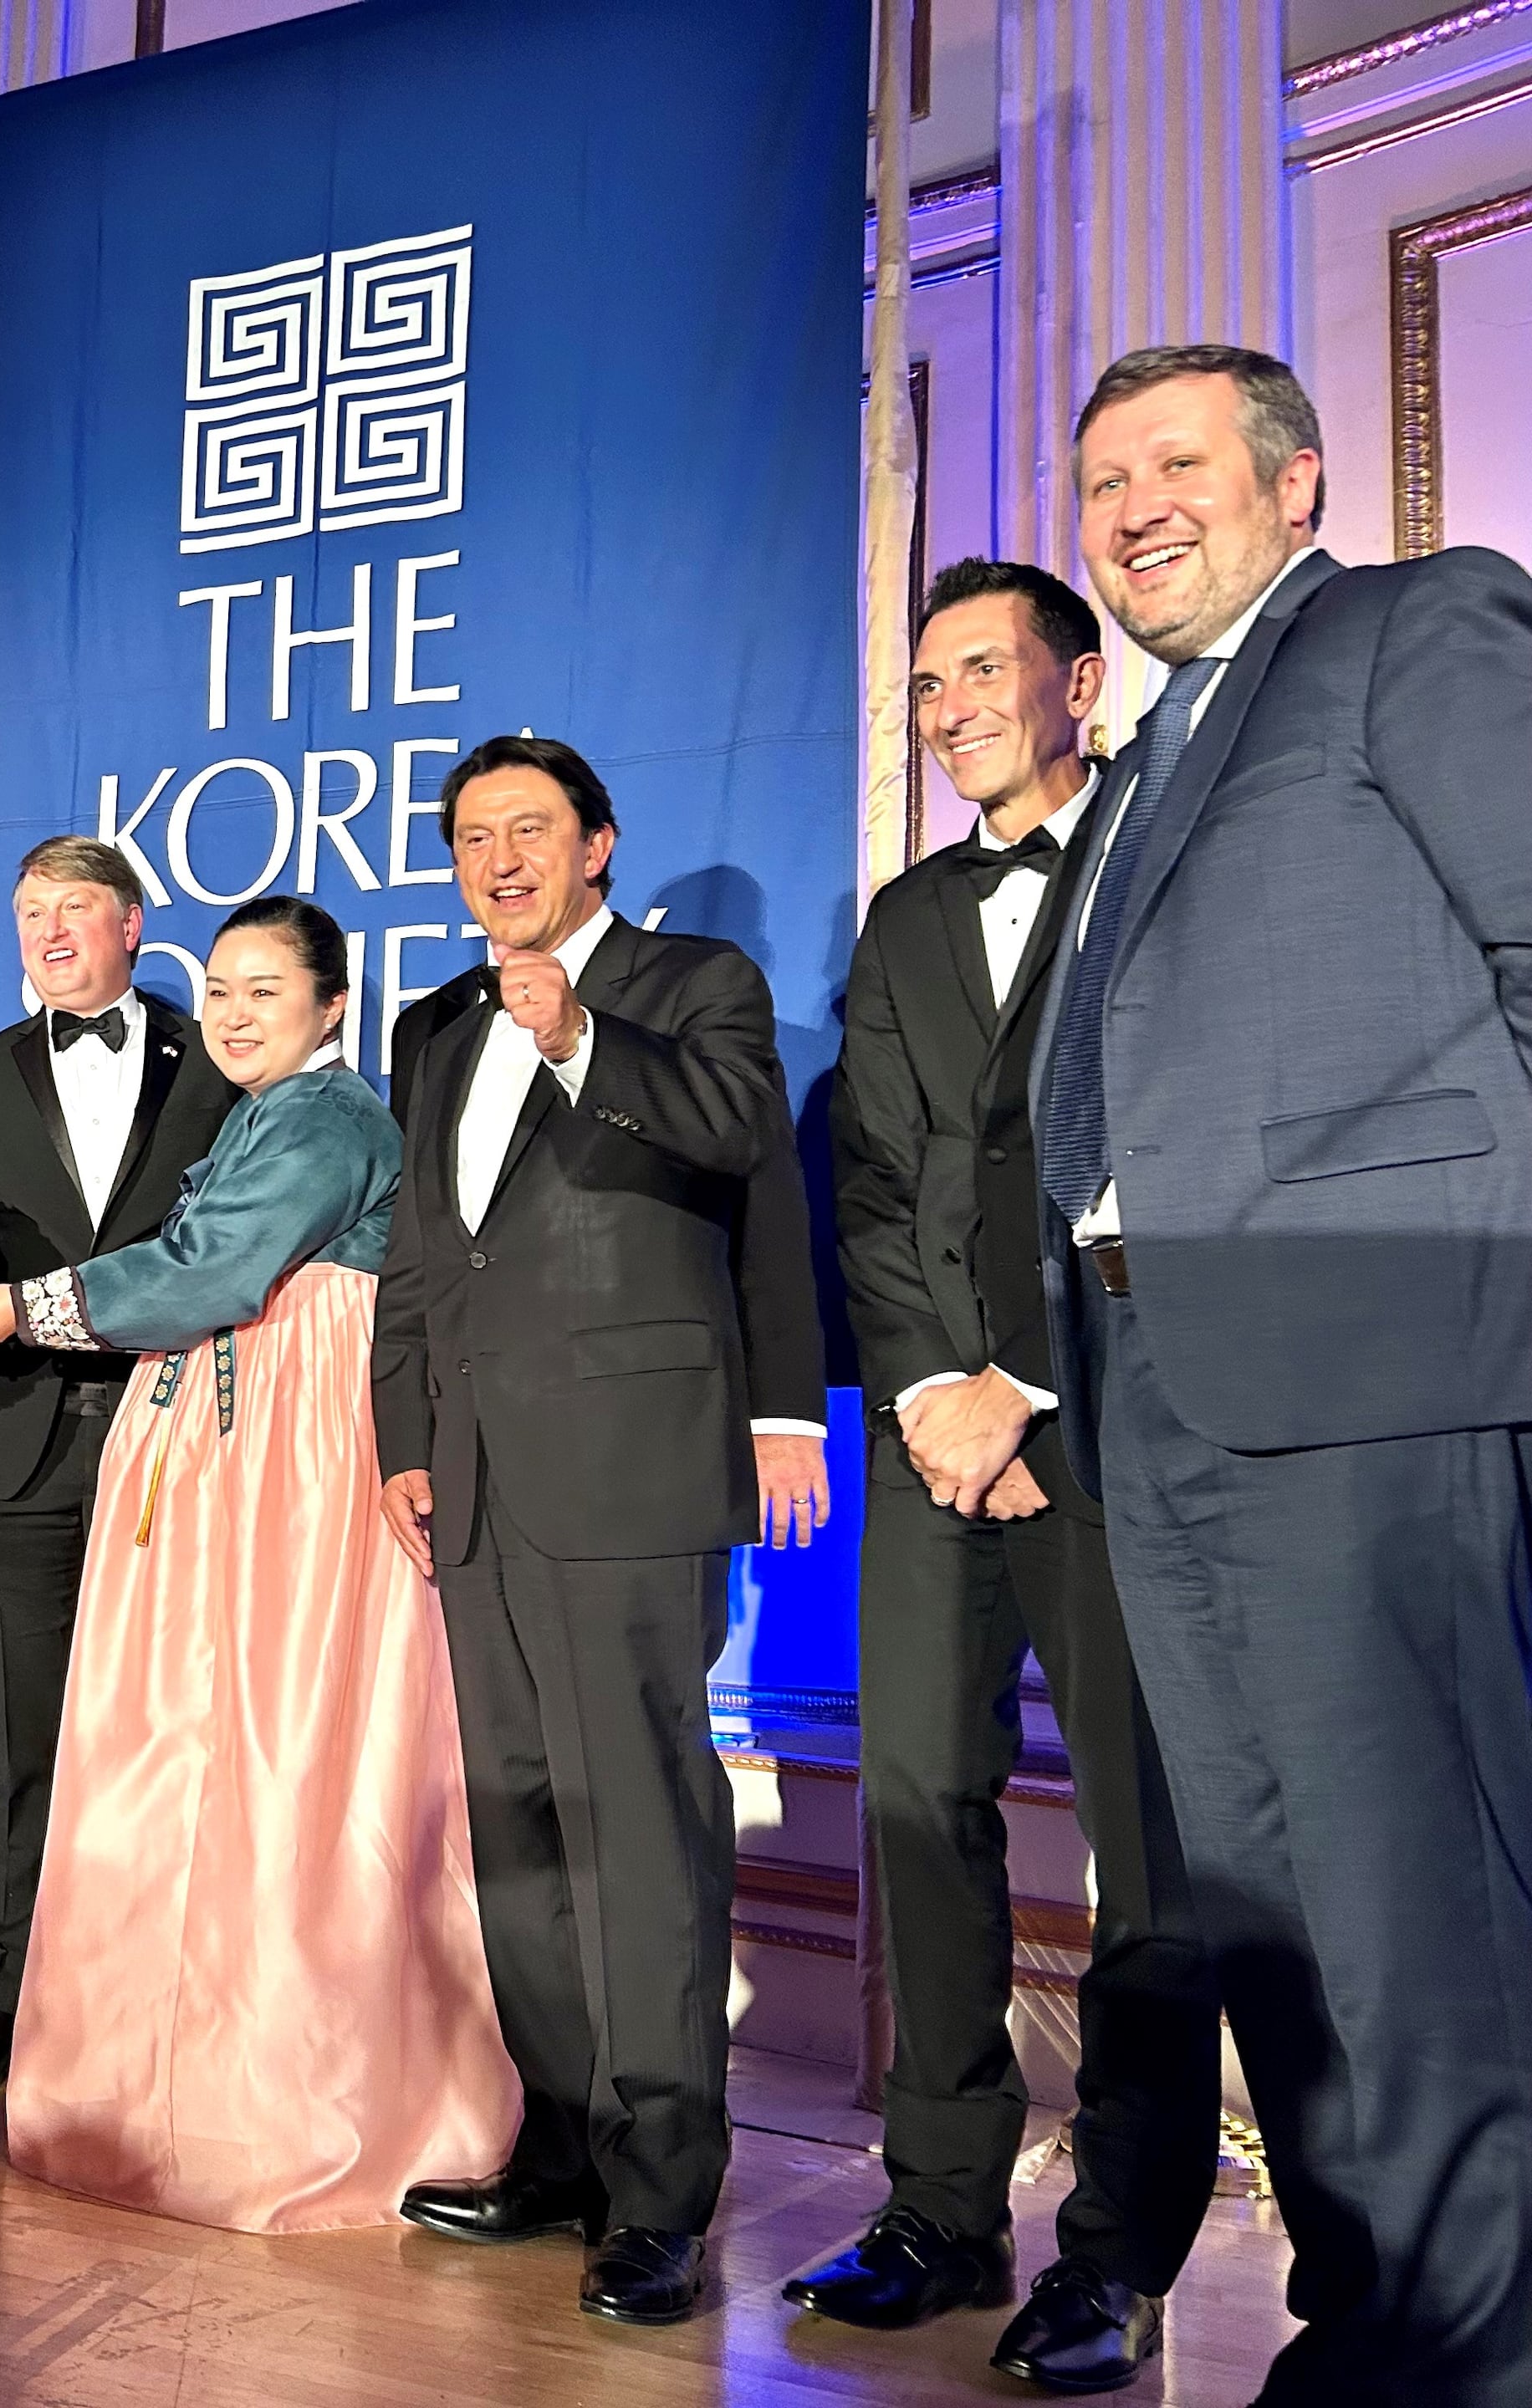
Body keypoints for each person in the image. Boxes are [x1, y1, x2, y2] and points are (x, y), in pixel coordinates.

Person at [1021, 344, 1532, 2403]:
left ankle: (1482, 2355)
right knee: (1265, 1901)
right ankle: (1370, 2326)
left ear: (1298, 482)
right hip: (1159, 1377)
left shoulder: (1419, 624)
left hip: (1376, 1348)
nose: (1132, 506)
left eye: (1174, 463)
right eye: (1100, 480)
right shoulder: (1146, 753)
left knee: (1412, 1896)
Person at [0, 895, 519, 2229]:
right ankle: (171, 2095)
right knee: (204, 1761)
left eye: (267, 990)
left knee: (274, 1760)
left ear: (331, 1006)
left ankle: (271, 2107)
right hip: (238, 1466)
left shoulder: (324, 1118)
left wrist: (24, 1305)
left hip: (293, 1483)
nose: (237, 1013)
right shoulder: (269, 1113)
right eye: (225, 991)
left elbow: (213, 1268)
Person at [795, 558, 1218, 2393]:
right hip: (926, 1453)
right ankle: (941, 2210)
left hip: (1116, 1429)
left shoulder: (1165, 862)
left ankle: (1117, 2257)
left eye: (983, 667)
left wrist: (1027, 1390)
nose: (949, 701)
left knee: (1149, 1853)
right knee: (919, 1815)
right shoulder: (901, 920)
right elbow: (878, 1192)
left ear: (1076, 685)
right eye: (926, 680)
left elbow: (1182, 1142)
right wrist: (931, 1401)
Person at [372, 734, 825, 2328]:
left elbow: (738, 1143)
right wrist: (403, 1437)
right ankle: (559, 2148)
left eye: (531, 833)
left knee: (638, 1826)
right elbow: (422, 1257)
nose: (500, 862)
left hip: (634, 1464)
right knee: (519, 1822)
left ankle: (659, 2194)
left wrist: (577, 1039)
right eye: (472, 839)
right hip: (477, 1480)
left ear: (598, 848)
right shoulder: (432, 1027)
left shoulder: (693, 985)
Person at [0, 835, 235, 2094]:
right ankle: (6, 2006)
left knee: (182, 1735)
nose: (48, 930)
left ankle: (175, 2015)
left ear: (135, 926)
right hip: (13, 1450)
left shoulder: (216, 1058)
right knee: (29, 1744)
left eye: (74, 908)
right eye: (28, 910)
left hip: (182, 1443)